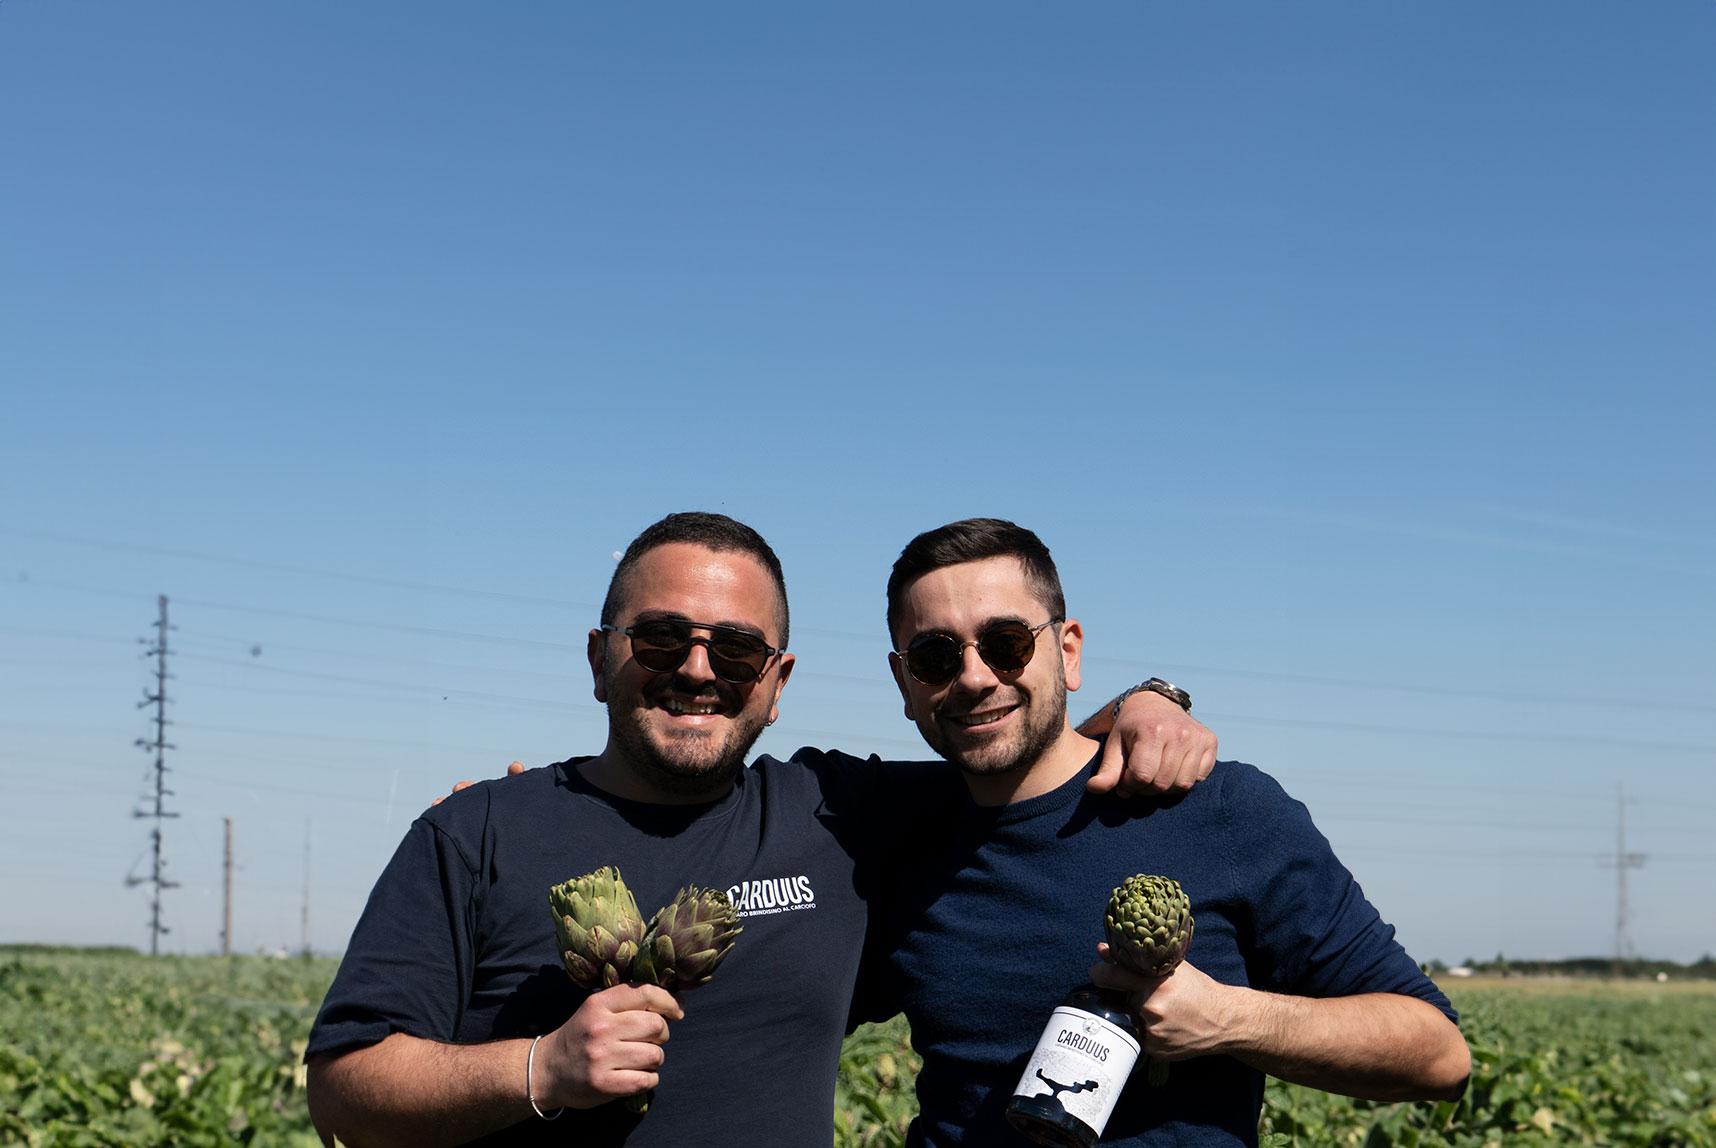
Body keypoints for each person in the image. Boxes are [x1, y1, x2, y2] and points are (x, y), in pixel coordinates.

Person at [305, 512, 1217, 1148]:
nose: (698, 670)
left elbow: (1010, 740)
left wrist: (1147, 700)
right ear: (599, 657)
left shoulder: (841, 815)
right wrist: (538, 1070)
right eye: (661, 638)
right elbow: (344, 1090)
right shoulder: (478, 832)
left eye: (737, 649)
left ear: (778, 685)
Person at [854, 518, 1470, 1147]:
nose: (976, 676)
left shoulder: (1222, 810)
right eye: (934, 656)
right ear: (905, 682)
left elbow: (1439, 1055)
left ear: (1068, 652)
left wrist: (1231, 1019)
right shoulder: (884, 833)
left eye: (1006, 642)